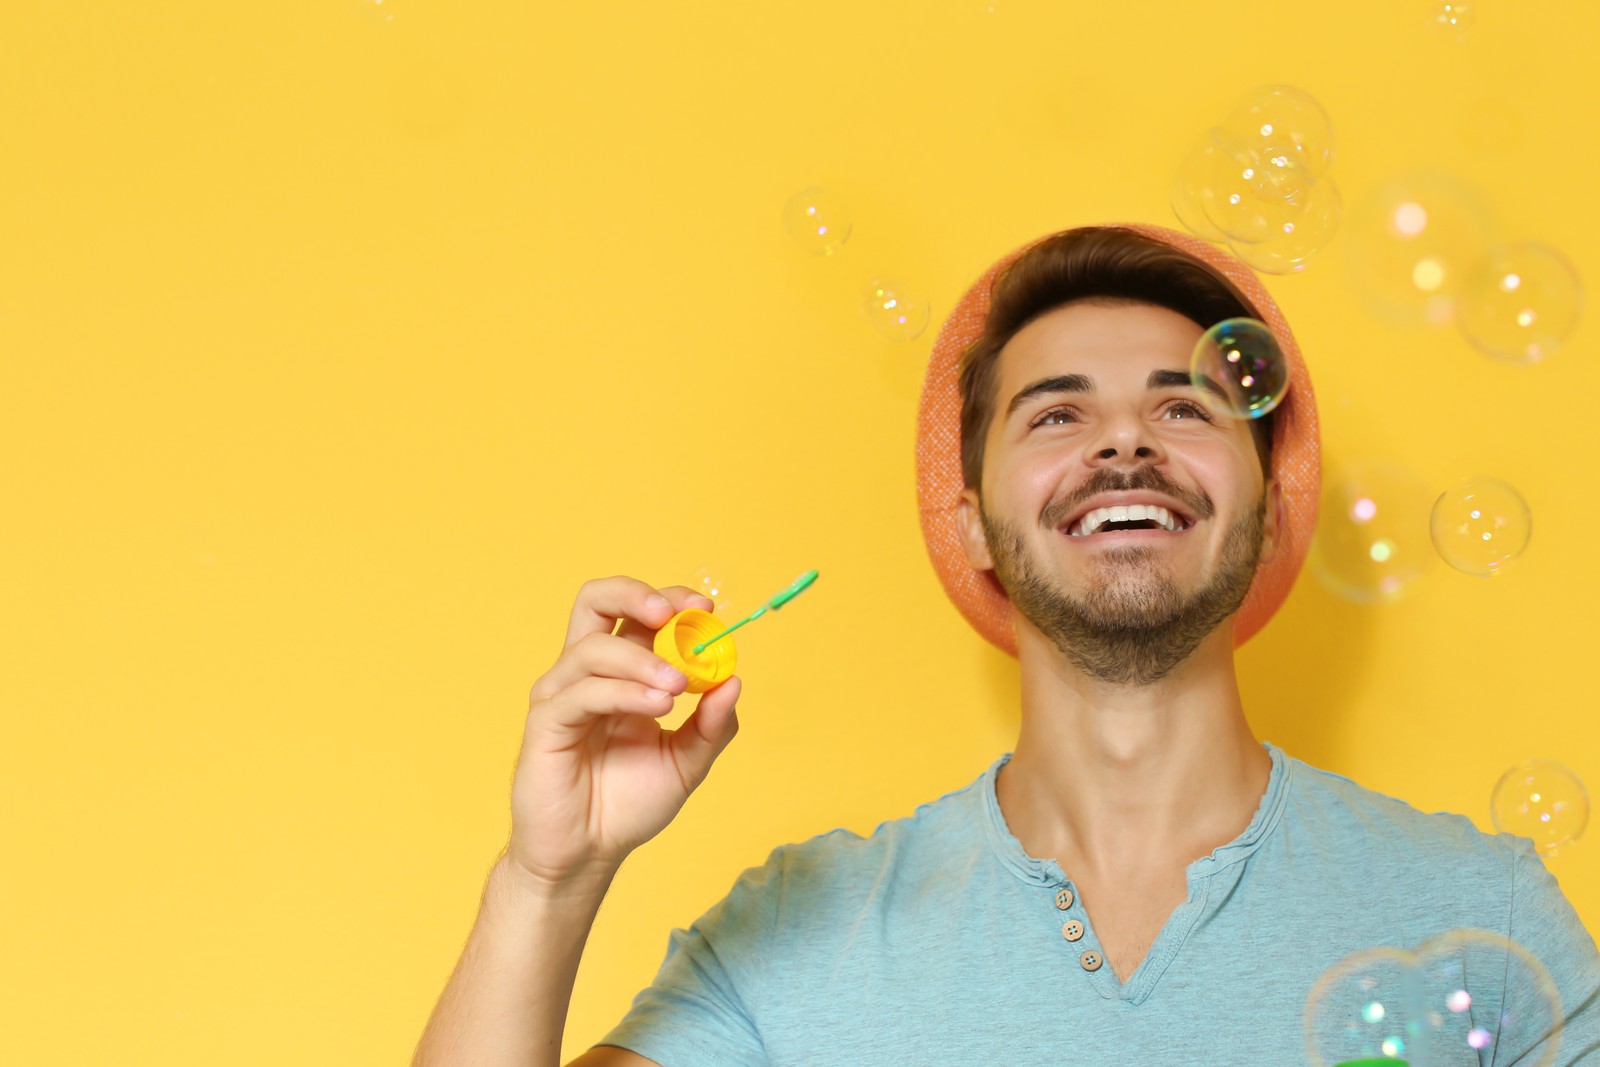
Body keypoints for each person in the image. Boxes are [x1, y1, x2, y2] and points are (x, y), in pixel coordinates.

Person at [411, 225, 1600, 1067]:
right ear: (970, 520)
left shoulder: (1479, 916)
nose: (1125, 441)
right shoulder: (802, 932)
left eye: (1186, 406)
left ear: (1273, 502)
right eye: (1058, 412)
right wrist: (546, 880)